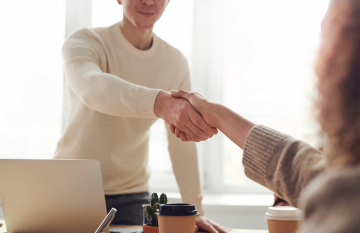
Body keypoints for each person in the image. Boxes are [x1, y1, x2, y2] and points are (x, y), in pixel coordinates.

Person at [170, 0, 360, 232]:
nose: (317, 63)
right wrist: (216, 114)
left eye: (326, 44)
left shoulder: (345, 201)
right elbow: (306, 171)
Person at [54, 0, 228, 232]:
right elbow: (91, 88)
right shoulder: (85, 41)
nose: (148, 1)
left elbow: (182, 145)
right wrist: (160, 103)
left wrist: (195, 210)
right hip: (69, 187)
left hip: (132, 196)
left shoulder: (175, 62)